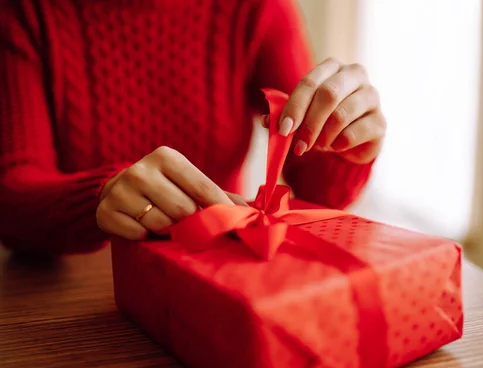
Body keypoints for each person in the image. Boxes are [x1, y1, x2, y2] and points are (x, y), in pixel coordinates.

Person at [0, 0, 386, 256]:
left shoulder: (256, 7)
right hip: (74, 304)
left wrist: (344, 143)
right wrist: (98, 198)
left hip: (216, 276)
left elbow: (317, 184)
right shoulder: (26, 11)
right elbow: (11, 194)